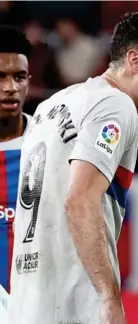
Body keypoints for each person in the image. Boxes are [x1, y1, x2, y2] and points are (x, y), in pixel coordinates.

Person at [7, 12, 138, 324]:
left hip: (25, 305)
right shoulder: (114, 105)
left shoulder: (50, 106)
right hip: (73, 306)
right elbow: (80, 201)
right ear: (135, 60)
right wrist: (108, 298)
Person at [0, 25, 33, 309]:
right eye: (0, 78)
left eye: (18, 77)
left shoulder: (53, 143)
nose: (10, 88)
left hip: (36, 301)